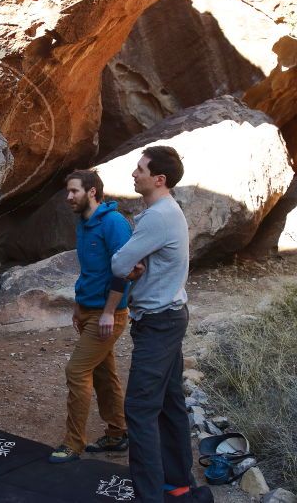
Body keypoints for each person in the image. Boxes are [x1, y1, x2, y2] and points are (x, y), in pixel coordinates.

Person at [111, 146, 192, 502]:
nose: (133, 173)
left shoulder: (158, 216)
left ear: (159, 179)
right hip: (170, 316)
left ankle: (148, 496)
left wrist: (132, 264)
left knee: (140, 409)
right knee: (170, 400)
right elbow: (132, 263)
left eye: (140, 169)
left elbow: (119, 264)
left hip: (159, 322)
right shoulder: (165, 212)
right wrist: (137, 264)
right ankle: (177, 482)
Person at [49, 170, 132, 463]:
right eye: (67, 192)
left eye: (74, 191)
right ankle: (117, 433)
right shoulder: (83, 223)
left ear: (92, 192)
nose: (68, 197)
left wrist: (109, 311)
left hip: (107, 313)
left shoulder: (113, 223)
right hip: (88, 310)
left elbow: (127, 270)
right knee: (103, 373)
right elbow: (90, 271)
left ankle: (73, 444)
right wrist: (78, 305)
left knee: (76, 371)